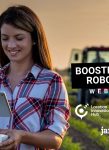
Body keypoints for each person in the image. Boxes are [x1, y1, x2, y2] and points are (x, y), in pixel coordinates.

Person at [0, 5, 70, 150]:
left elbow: (55, 138)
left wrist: (22, 136)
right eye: (5, 39)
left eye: (19, 38)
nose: (11, 45)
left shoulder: (51, 82)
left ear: (34, 39)